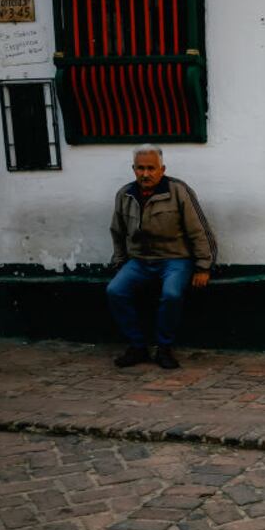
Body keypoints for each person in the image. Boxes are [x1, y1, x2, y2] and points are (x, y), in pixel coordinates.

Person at [106, 144, 217, 369]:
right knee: (115, 290)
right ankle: (137, 346)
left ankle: (163, 348)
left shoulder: (179, 191)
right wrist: (119, 262)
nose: (145, 174)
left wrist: (203, 266)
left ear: (162, 169)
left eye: (151, 168)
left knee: (171, 294)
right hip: (139, 261)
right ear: (133, 169)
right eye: (140, 168)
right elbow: (117, 232)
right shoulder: (125, 195)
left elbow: (199, 230)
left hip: (175, 259)